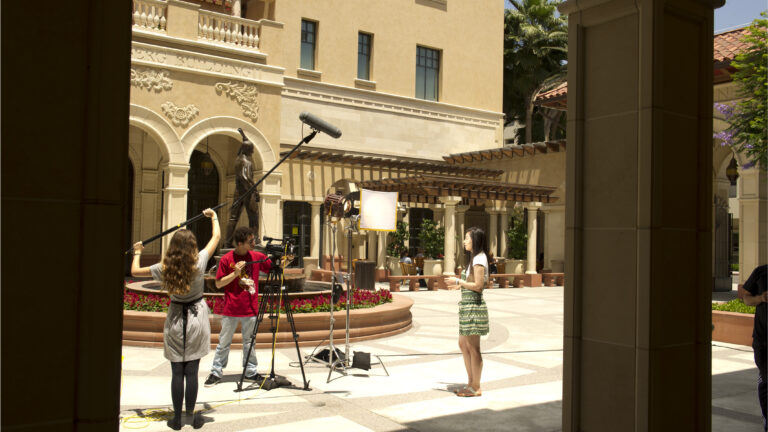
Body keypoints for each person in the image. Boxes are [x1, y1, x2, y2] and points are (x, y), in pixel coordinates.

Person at [131, 208, 220, 430]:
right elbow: (216, 237)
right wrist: (214, 217)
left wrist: (137, 251)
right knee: (192, 371)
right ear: (192, 246)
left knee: (177, 371)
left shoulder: (164, 267)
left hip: (175, 319)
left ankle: (177, 419)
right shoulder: (199, 261)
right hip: (197, 316)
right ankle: (191, 416)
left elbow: (134, 271)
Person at [205, 226, 272, 387]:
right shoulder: (227, 259)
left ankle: (250, 372)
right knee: (224, 342)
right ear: (240, 243)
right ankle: (216, 372)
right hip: (231, 309)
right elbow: (219, 283)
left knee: (249, 342)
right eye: (250, 241)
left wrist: (286, 259)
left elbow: (274, 268)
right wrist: (235, 274)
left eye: (253, 240)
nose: (254, 243)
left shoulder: (256, 256)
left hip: (251, 309)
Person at [447, 227, 489, 397]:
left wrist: (459, 281)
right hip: (467, 306)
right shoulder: (474, 258)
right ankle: (470, 383)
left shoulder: (479, 259)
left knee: (473, 347)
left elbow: (478, 286)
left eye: (467, 238)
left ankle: (476, 386)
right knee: (463, 344)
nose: (464, 241)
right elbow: (472, 282)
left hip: (473, 307)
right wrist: (460, 285)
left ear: (475, 240)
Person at [224, 130, 260, 247]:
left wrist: (243, 135)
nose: (253, 151)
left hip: (238, 192)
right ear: (247, 150)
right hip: (247, 193)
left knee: (233, 218)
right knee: (254, 218)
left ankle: (227, 242)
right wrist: (254, 190)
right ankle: (255, 240)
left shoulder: (238, 159)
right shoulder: (246, 161)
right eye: (251, 150)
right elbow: (245, 177)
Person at [743, 264, 767, 430]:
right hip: (763, 342)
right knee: (766, 380)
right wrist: (761, 298)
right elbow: (746, 299)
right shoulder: (761, 272)